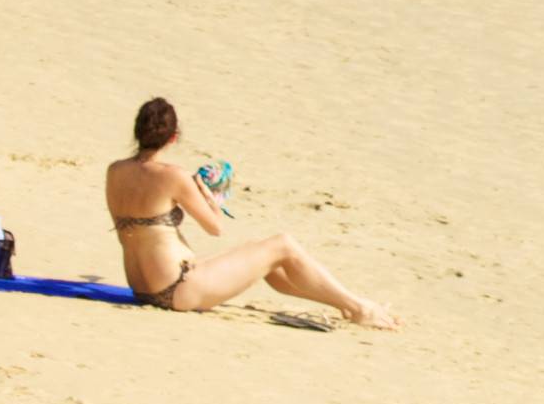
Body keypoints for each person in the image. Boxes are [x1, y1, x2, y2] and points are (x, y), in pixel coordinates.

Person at [105, 98, 395, 326]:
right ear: (172, 138)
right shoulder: (173, 176)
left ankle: (344, 304)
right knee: (283, 244)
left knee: (270, 263)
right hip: (178, 289)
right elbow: (215, 228)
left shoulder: (115, 172)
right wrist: (208, 195)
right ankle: (360, 308)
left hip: (143, 288)